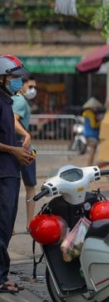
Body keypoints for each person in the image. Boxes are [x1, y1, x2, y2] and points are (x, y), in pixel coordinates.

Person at [0, 54, 34, 294]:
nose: (17, 83)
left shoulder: (7, 101)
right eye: (13, 78)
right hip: (3, 173)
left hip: (10, 171)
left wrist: (21, 147)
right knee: (2, 226)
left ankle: (2, 276)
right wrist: (13, 150)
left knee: (7, 225)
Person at [12, 75, 38, 230]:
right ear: (22, 85)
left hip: (14, 147)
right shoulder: (20, 101)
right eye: (30, 86)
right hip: (24, 148)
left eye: (34, 87)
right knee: (30, 186)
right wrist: (26, 134)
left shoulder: (13, 99)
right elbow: (13, 120)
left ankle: (10, 226)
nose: (32, 90)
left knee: (11, 186)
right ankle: (30, 224)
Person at [81, 97, 103, 167]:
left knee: (91, 151)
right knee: (92, 151)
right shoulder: (90, 114)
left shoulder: (86, 113)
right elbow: (93, 125)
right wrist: (100, 123)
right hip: (92, 134)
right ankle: (89, 166)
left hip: (87, 134)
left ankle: (89, 165)